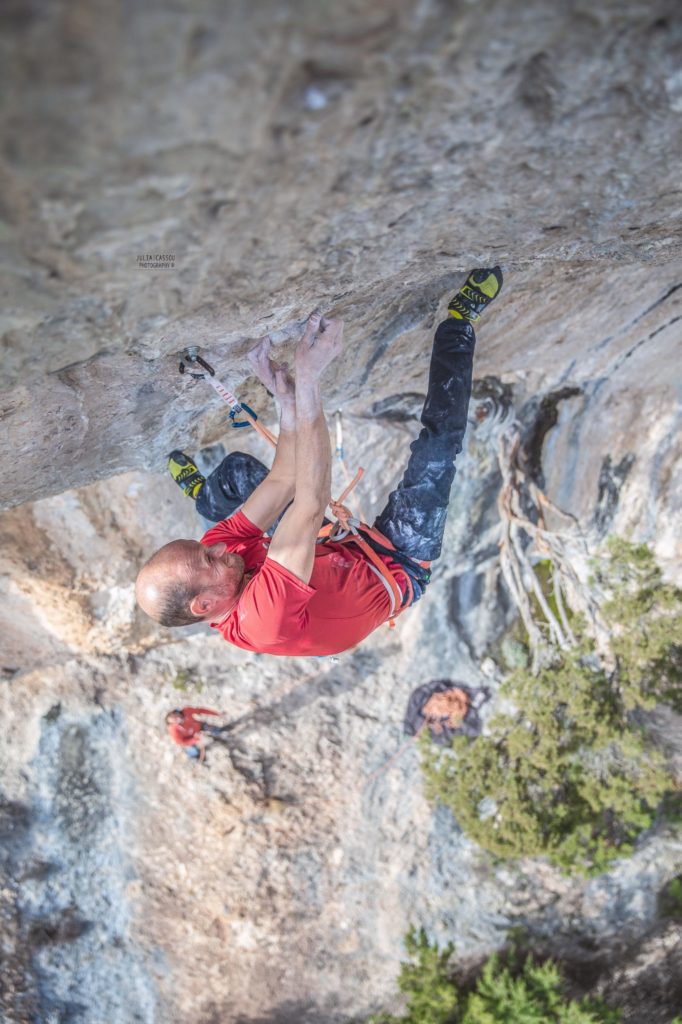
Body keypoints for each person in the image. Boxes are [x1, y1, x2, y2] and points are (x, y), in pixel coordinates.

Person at [136, 267, 503, 657]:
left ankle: (205, 497)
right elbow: (310, 502)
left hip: (333, 549)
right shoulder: (264, 619)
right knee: (438, 449)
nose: (219, 547)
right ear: (204, 606)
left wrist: (286, 401)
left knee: (241, 473)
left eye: (206, 547)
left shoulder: (216, 556)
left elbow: (284, 480)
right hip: (396, 566)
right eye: (210, 558)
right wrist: (310, 379)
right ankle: (459, 323)